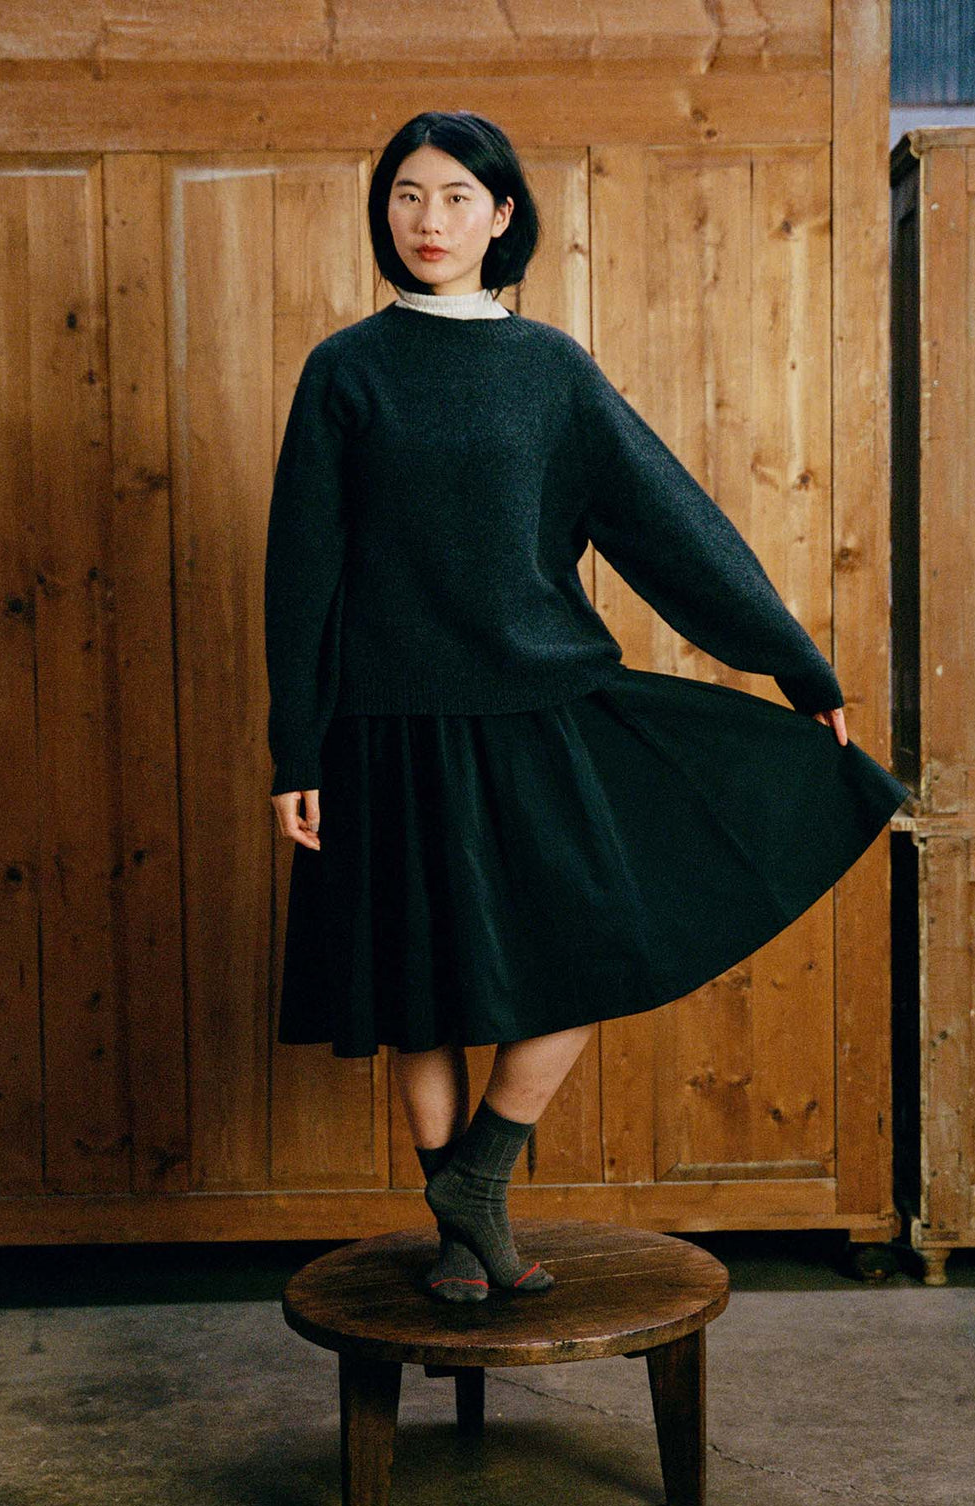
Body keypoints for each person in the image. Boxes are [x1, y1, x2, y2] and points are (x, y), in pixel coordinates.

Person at [264, 110, 913, 1304]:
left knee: (584, 951)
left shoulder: (550, 369)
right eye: (408, 196)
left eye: (457, 197)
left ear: (502, 216)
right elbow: (302, 570)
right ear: (383, 210)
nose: (429, 220)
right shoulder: (344, 370)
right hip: (385, 724)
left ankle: (480, 1175)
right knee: (427, 991)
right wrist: (293, 747)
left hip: (540, 703)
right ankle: (465, 1231)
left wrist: (797, 668)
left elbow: (671, 526)